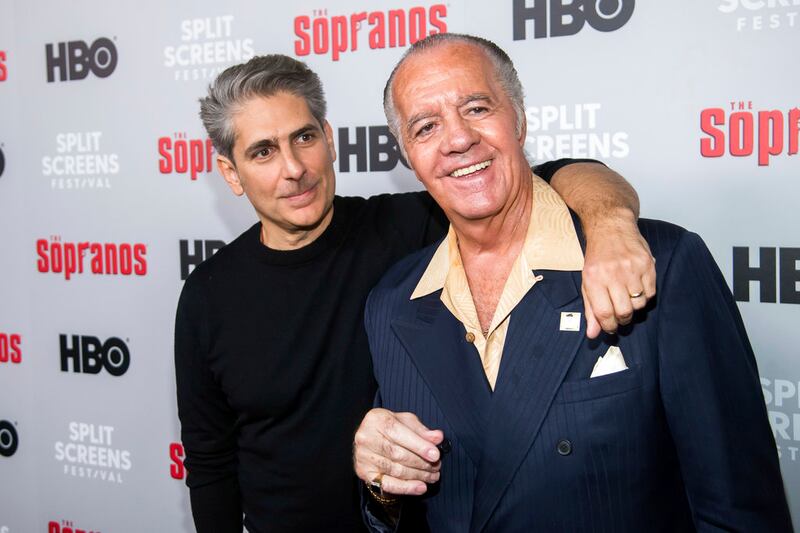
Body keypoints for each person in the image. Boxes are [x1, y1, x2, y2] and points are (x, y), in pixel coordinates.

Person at [175, 54, 655, 533]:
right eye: (263, 152)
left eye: (304, 138)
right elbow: (210, 461)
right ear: (231, 173)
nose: (294, 168)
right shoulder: (207, 296)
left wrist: (610, 223)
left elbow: (552, 178)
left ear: (329, 139)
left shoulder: (413, 227)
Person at [353, 33, 792, 532]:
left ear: (519, 120)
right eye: (426, 127)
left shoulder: (661, 264)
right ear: (409, 156)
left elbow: (740, 510)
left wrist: (610, 219)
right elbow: (409, 506)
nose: (457, 139)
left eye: (476, 108)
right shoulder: (392, 304)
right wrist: (380, 488)